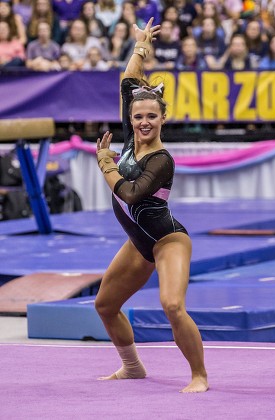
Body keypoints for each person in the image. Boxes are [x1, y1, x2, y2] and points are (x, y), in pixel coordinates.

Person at [95, 17, 209, 393]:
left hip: (167, 241)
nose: (144, 122)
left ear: (163, 118)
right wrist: (141, 46)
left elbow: (129, 194)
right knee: (106, 305)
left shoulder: (161, 160)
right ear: (131, 117)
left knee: (172, 306)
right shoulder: (131, 134)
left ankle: (199, 376)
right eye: (138, 116)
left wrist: (107, 164)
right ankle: (132, 367)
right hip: (138, 244)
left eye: (151, 117)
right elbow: (129, 78)